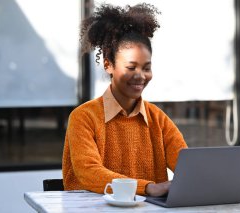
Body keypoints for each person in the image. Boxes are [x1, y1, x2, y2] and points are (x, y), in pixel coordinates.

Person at [62, 3, 188, 197]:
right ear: (108, 65)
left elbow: (187, 167)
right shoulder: (83, 118)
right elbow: (88, 172)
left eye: (146, 68)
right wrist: (147, 187)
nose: (140, 76)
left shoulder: (158, 120)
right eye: (131, 67)